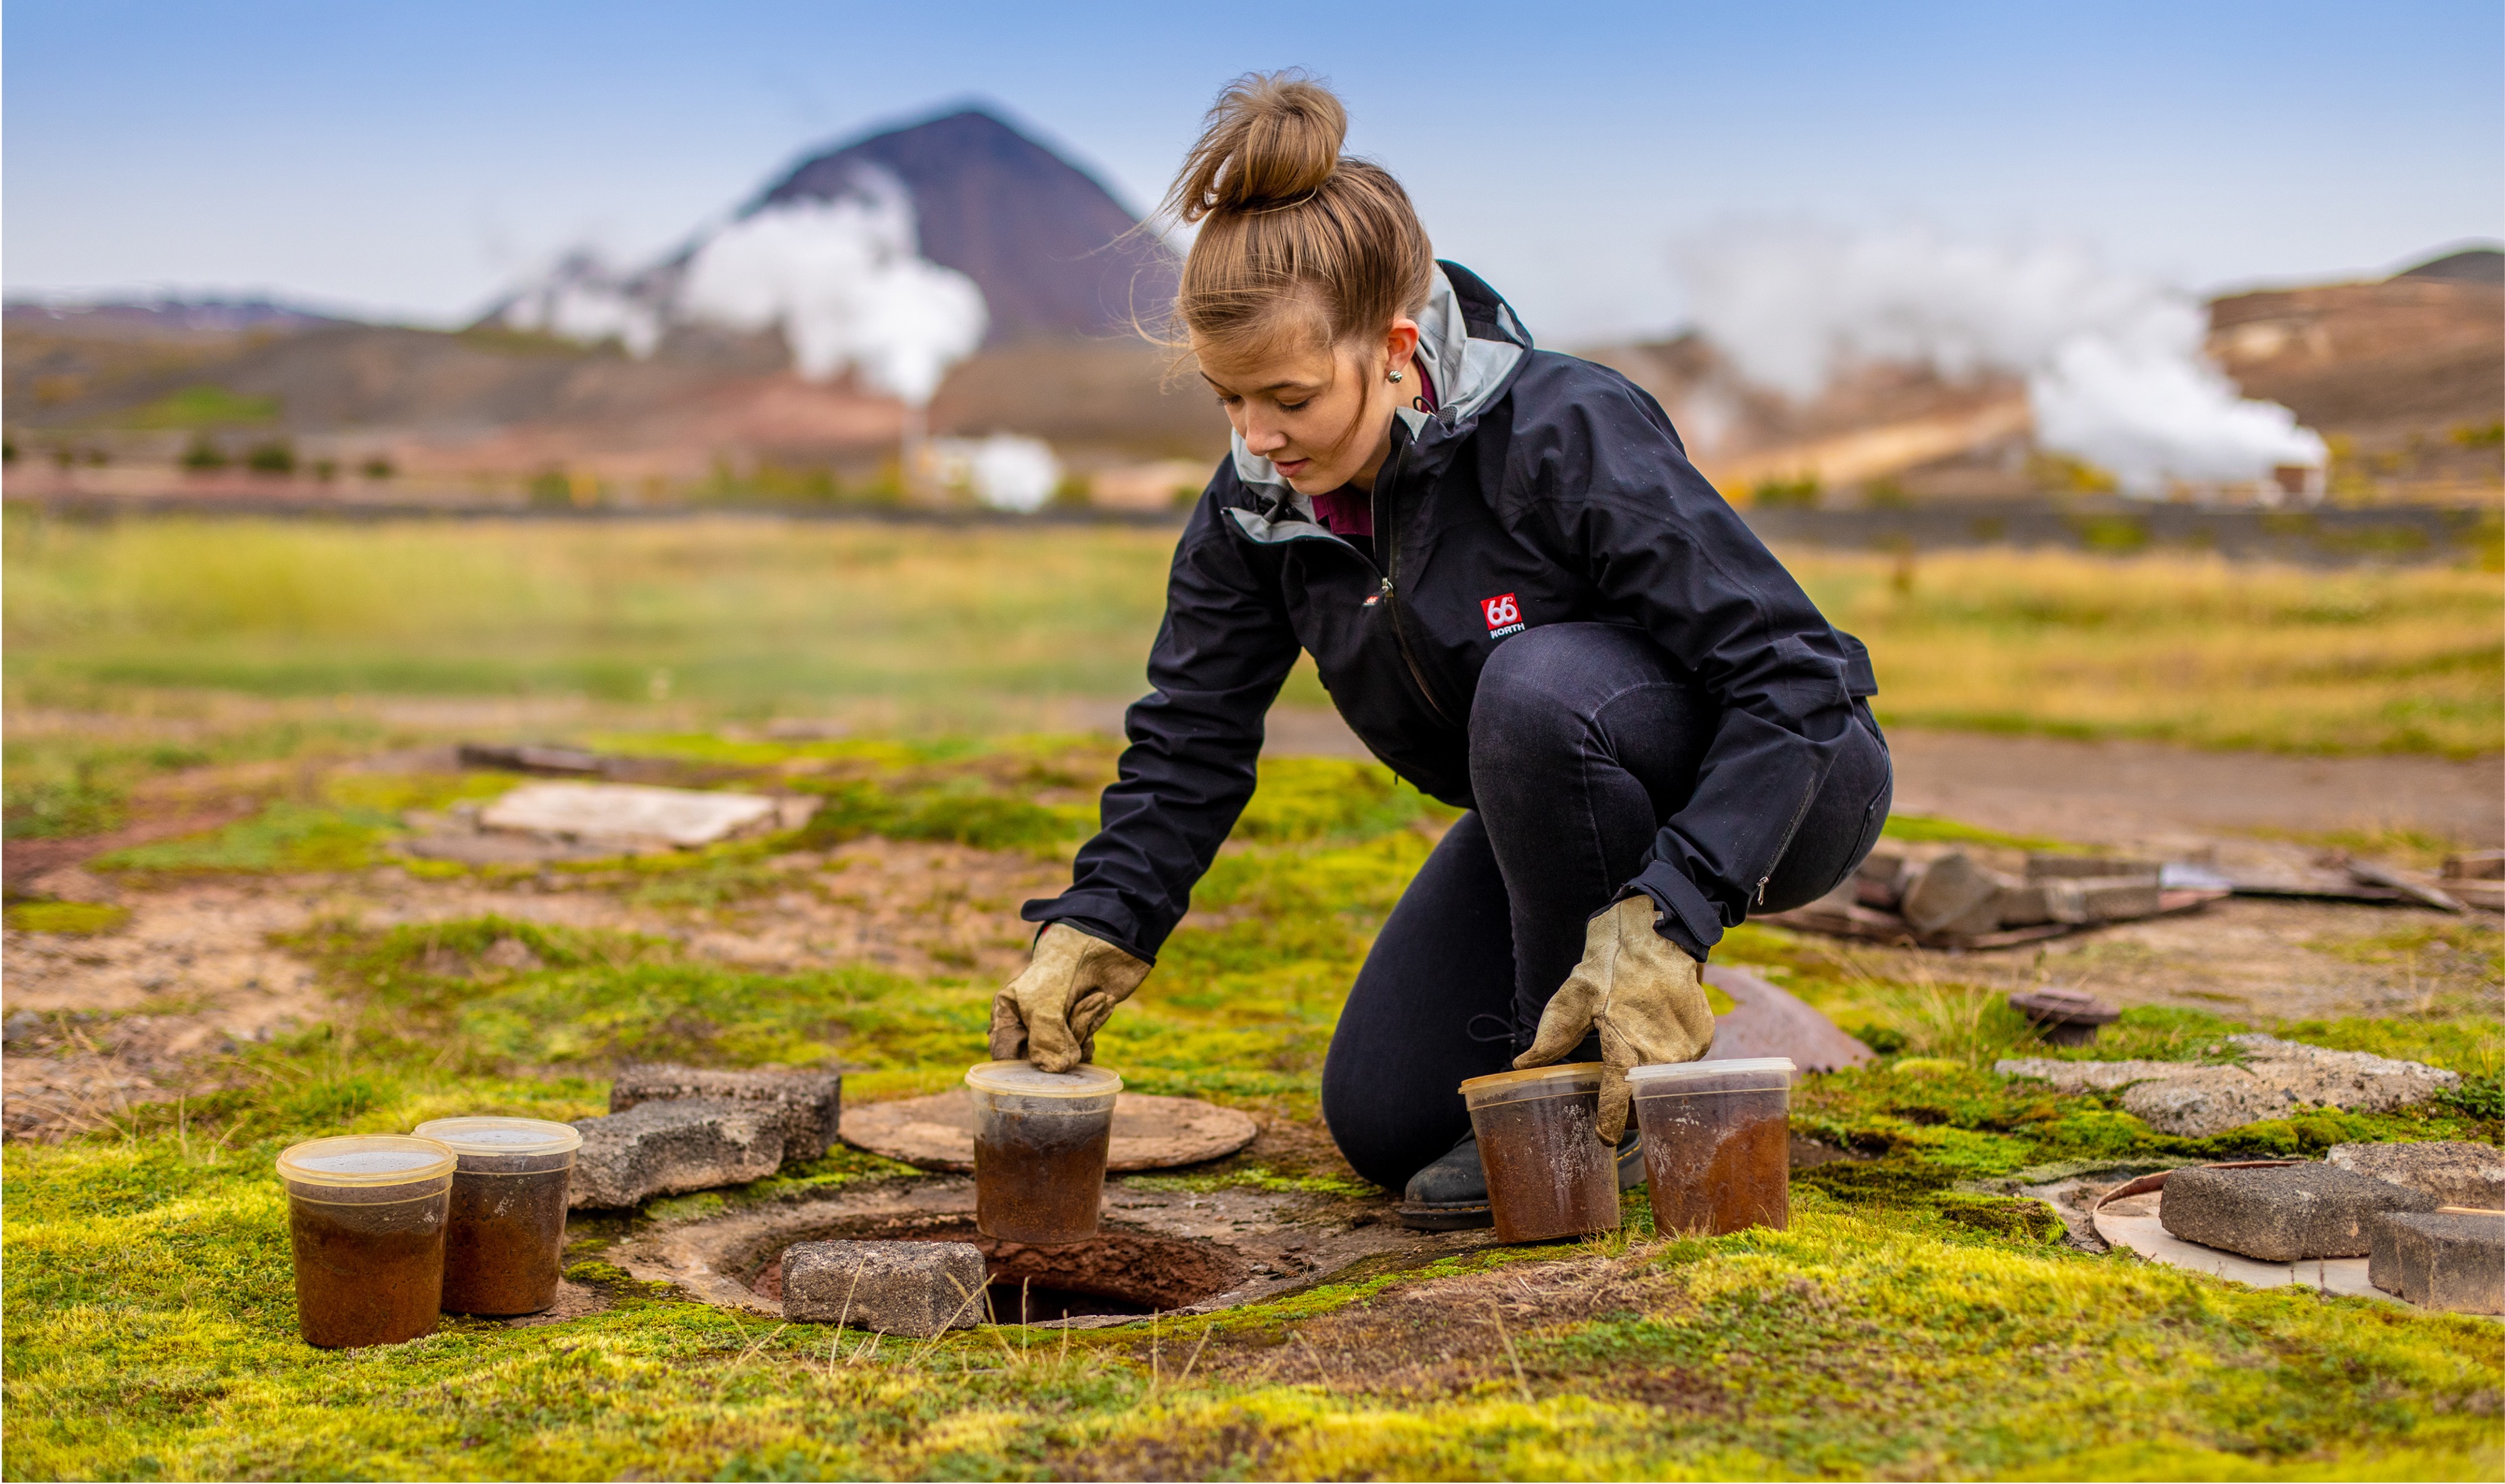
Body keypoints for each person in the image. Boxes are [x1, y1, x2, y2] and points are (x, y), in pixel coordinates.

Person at [989, 72, 1892, 1230]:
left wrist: (1672, 912)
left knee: (1535, 688)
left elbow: (1796, 671)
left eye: (1291, 397)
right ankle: (1598, 1034)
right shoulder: (1256, 507)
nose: (1258, 439)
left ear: (1397, 349)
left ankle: (1587, 1109)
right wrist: (1099, 922)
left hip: (1790, 786)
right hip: (1556, 801)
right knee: (1383, 1122)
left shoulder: (1565, 431)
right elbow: (1191, 737)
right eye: (1227, 402)